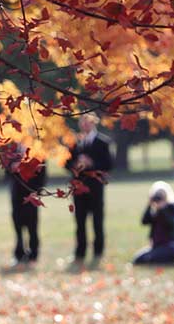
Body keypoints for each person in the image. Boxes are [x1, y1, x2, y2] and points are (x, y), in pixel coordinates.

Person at [65, 113, 114, 265]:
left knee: (97, 221)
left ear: (94, 123)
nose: (84, 125)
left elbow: (109, 164)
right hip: (78, 187)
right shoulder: (75, 142)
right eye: (82, 122)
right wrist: (76, 164)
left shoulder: (103, 142)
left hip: (95, 188)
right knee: (79, 221)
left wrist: (91, 163)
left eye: (87, 122)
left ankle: (98, 252)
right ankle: (80, 252)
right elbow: (66, 163)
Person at [8, 144, 47, 265]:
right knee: (18, 226)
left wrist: (36, 192)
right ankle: (19, 254)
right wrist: (12, 168)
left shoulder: (38, 150)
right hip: (17, 195)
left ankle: (33, 255)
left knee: (32, 226)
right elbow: (6, 171)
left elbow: (42, 174)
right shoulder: (13, 151)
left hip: (31, 193)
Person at [133, 181, 174, 265]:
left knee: (151, 258)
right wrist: (149, 205)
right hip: (155, 247)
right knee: (138, 259)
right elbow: (144, 222)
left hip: (170, 246)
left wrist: (163, 209)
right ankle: (169, 260)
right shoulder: (154, 211)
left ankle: (171, 260)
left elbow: (172, 224)